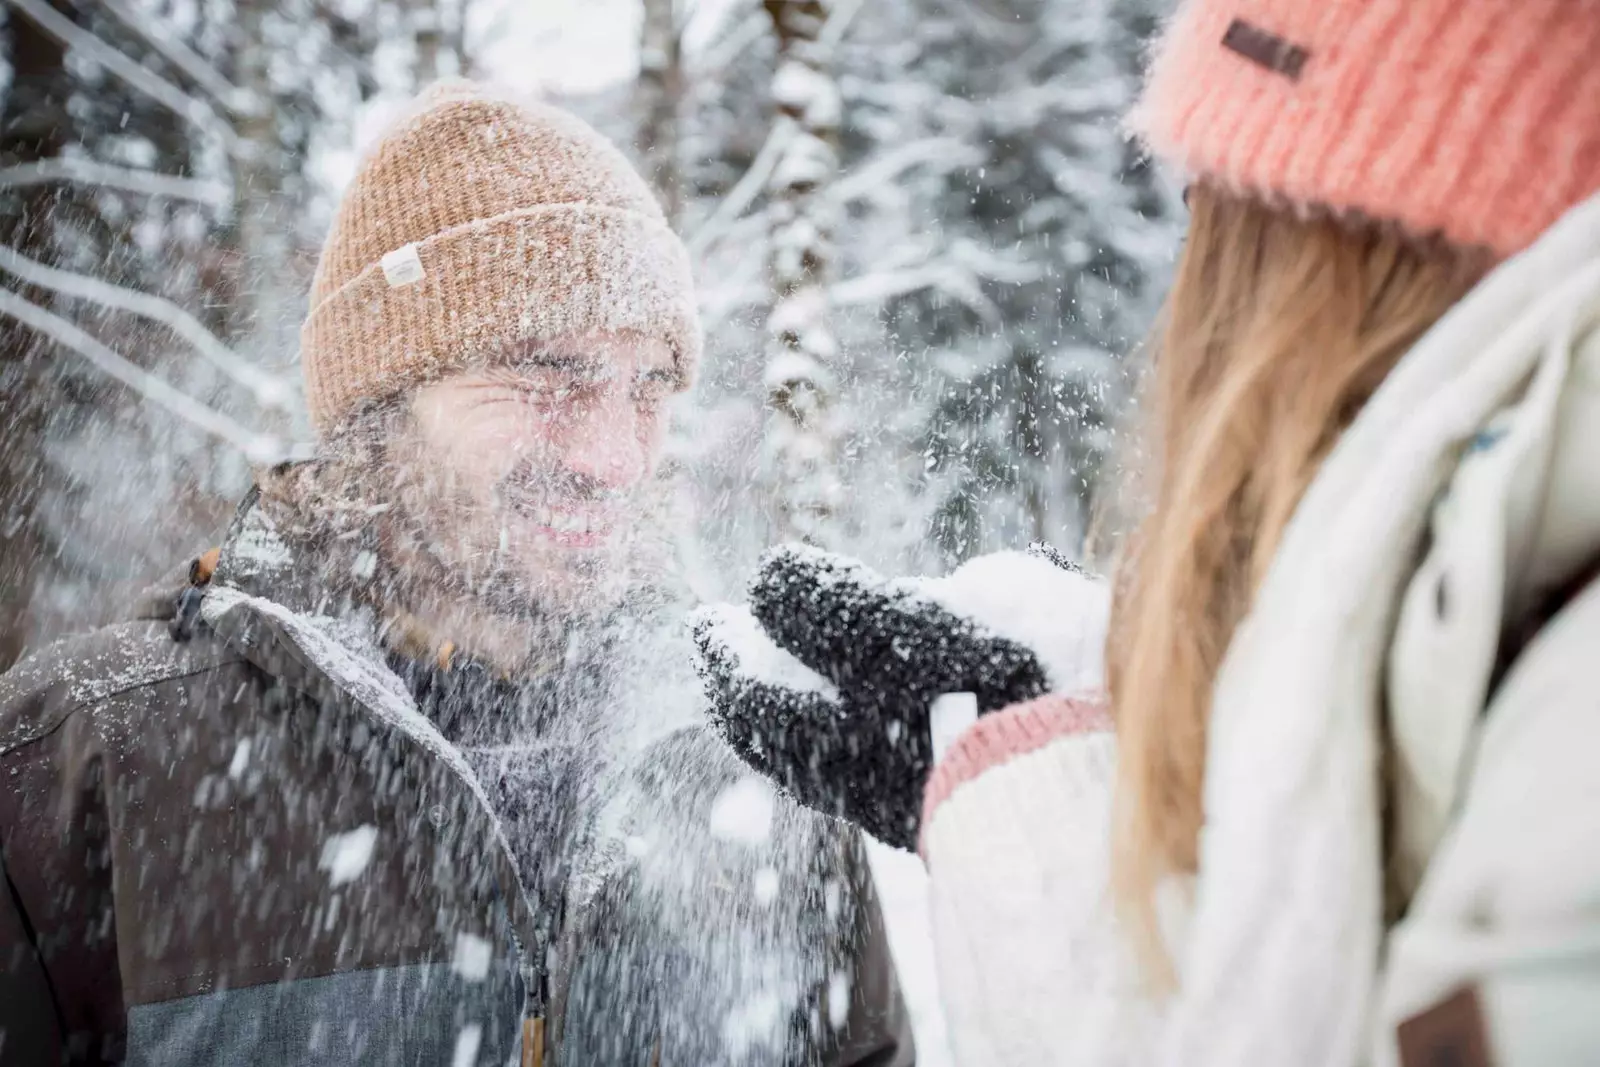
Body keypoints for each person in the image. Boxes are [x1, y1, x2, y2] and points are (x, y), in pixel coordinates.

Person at [696, 2, 1600, 1064]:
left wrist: (1027, 804)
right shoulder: (1473, 641)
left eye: (1218, 220)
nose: (1187, 320)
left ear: (1339, 251)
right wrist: (1029, 782)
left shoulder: (1571, 711)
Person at [0, 82, 912, 1066]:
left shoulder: (751, 752)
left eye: (647, 384)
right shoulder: (91, 759)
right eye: (543, 372)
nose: (612, 455)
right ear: (381, 401)